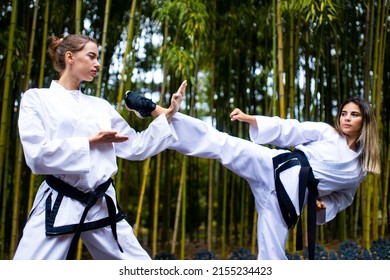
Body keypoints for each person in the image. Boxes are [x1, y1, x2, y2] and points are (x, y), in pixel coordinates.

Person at [125, 92, 381, 260]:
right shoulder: (327, 132)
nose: (346, 118)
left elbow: (344, 198)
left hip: (290, 197)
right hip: (278, 165)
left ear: (365, 121)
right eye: (344, 113)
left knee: (272, 255)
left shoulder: (360, 169)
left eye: (354, 114)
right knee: (223, 144)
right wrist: (251, 119)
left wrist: (325, 203)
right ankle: (157, 111)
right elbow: (290, 128)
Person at [14, 34, 187, 260]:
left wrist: (168, 114)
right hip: (59, 201)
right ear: (70, 57)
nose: (97, 64)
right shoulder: (36, 98)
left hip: (100, 203)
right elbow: (36, 156)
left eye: (98, 58)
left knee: (140, 268)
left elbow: (136, 147)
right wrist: (89, 142)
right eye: (92, 56)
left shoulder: (100, 107)